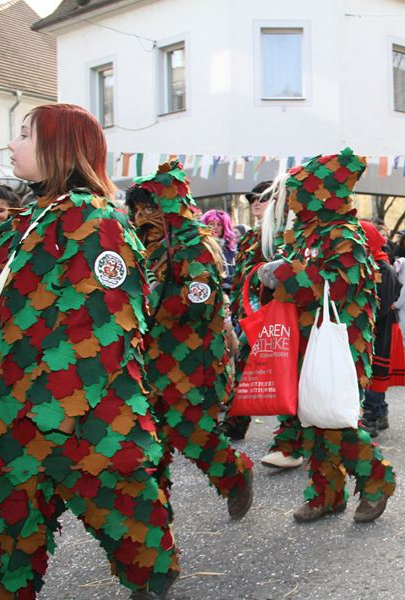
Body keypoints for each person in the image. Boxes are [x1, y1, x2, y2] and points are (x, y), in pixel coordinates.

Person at [0, 103, 179, 598]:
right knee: (10, 550)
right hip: (17, 419)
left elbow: (105, 327)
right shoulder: (29, 222)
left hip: (88, 424)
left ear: (58, 148)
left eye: (23, 135)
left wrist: (51, 409)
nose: (10, 145)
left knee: (138, 545)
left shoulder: (97, 223)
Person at [258, 149, 395, 523]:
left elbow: (339, 285)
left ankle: (375, 481)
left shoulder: (344, 233)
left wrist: (285, 275)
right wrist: (269, 276)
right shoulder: (303, 231)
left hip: (340, 339)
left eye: (299, 190)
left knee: (334, 418)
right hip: (303, 337)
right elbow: (292, 275)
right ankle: (326, 493)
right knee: (311, 417)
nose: (292, 199)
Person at [126, 160, 254, 521]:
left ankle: (234, 475)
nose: (141, 215)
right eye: (137, 208)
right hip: (150, 357)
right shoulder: (143, 245)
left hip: (192, 358)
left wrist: (150, 304)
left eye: (149, 206)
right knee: (149, 440)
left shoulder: (195, 244)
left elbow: (200, 299)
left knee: (193, 432)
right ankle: (152, 513)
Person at [221, 179, 276, 443]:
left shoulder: (282, 235)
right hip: (248, 316)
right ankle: (234, 423)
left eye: (262, 198)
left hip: (274, 315)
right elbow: (240, 277)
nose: (255, 203)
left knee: (286, 374)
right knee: (243, 367)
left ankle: (293, 437)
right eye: (252, 199)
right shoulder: (252, 237)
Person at [360, 220, 404, 438]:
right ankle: (380, 410)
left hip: (381, 326)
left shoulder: (383, 267)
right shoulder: (369, 264)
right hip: (371, 326)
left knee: (376, 369)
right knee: (370, 369)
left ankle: (372, 415)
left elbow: (384, 303)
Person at [201, 209, 237, 293]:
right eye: (211, 224)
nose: (215, 227)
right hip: (214, 292)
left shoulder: (230, 248)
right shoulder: (203, 248)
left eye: (219, 224)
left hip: (231, 291)